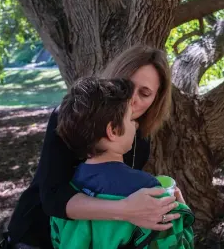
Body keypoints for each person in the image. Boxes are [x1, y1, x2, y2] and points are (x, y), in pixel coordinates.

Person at [7, 46, 180, 249]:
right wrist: (125, 209)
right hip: (38, 235)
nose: (133, 99)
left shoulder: (140, 139)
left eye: (145, 93)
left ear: (156, 100)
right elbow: (53, 198)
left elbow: (119, 193)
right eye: (127, 85)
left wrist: (168, 204)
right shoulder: (70, 118)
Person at [51, 77, 194, 249]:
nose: (136, 124)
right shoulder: (149, 191)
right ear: (113, 130)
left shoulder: (69, 189)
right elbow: (176, 244)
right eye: (130, 118)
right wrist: (182, 211)